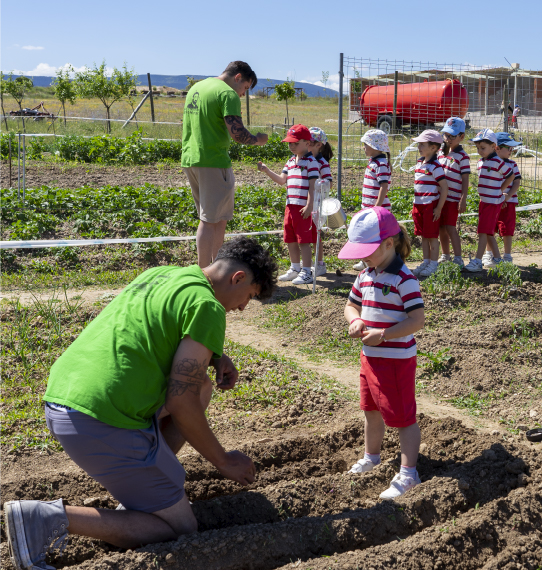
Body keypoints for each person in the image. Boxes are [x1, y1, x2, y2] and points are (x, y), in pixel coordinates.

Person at [4, 238, 278, 570]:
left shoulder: (164, 274)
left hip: (67, 396)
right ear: (237, 278)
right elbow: (181, 402)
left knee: (202, 385)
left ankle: (144, 485)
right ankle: (42, 518)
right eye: (248, 297)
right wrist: (223, 460)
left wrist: (216, 355)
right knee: (180, 530)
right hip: (101, 421)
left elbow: (155, 329)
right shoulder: (208, 307)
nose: (242, 307)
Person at [339, 207, 425, 499]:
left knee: (402, 417)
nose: (363, 257)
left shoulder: (405, 279)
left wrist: (385, 334)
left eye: (368, 251)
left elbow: (417, 321)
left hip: (396, 360)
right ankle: (371, 457)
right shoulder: (365, 275)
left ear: (389, 243)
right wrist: (357, 320)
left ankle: (409, 473)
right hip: (370, 357)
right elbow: (350, 305)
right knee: (371, 410)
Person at [181, 61, 269, 268]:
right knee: (210, 221)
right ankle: (205, 274)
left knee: (217, 219)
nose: (242, 94)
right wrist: (258, 139)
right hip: (213, 161)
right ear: (238, 77)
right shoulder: (227, 93)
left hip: (191, 158)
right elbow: (238, 134)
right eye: (245, 88)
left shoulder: (198, 87)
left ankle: (215, 268)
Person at [257, 124, 319, 285]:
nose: (291, 146)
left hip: (303, 207)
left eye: (295, 143)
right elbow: (282, 180)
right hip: (290, 206)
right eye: (290, 143)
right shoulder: (290, 161)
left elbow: (313, 186)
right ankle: (295, 268)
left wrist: (309, 205)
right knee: (290, 239)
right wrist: (266, 170)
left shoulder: (311, 162)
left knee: (303, 240)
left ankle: (307, 271)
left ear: (307, 143)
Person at [464, 129, 515, 272]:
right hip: (484, 201)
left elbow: (510, 176)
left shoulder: (498, 162)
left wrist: (500, 189)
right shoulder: (481, 162)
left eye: (483, 148)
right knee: (488, 232)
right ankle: (498, 259)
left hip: (492, 203)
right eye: (478, 148)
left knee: (482, 232)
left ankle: (478, 261)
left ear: (494, 146)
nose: (480, 151)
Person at [410, 130, 449, 278]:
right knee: (423, 236)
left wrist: (438, 208)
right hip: (419, 205)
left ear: (434, 148)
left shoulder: (435, 166)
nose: (419, 146)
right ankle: (426, 261)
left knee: (432, 236)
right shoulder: (420, 162)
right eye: (418, 144)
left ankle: (434, 263)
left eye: (422, 144)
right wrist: (414, 205)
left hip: (430, 205)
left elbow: (444, 188)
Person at [353, 129, 392, 272]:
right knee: (368, 235)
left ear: (375, 146)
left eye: (366, 145)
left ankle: (382, 261)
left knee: (378, 237)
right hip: (369, 208)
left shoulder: (381, 163)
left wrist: (377, 207)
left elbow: (384, 186)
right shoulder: (374, 162)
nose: (364, 147)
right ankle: (367, 260)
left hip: (377, 209)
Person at [482, 132, 522, 266]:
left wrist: (508, 196)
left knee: (507, 229)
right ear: (497, 148)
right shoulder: (487, 163)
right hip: (491, 202)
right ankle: (489, 255)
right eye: (509, 148)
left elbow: (516, 182)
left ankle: (507, 256)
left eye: (512, 148)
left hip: (508, 202)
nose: (512, 151)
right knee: (489, 228)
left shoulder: (512, 164)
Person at [437, 117, 471, 268]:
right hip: (440, 199)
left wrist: (463, 198)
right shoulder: (440, 152)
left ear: (461, 137)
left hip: (453, 199)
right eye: (446, 135)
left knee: (451, 227)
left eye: (452, 136)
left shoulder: (463, 157)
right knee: (441, 228)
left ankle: (458, 257)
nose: (448, 138)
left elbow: (465, 179)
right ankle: (445, 255)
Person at [308, 127, 333, 277]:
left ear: (318, 145)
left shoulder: (322, 162)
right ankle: (308, 263)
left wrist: (318, 184)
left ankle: (320, 264)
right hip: (306, 201)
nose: (306, 145)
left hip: (317, 203)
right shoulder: (305, 159)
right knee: (307, 233)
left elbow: (329, 182)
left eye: (309, 142)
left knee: (316, 233)